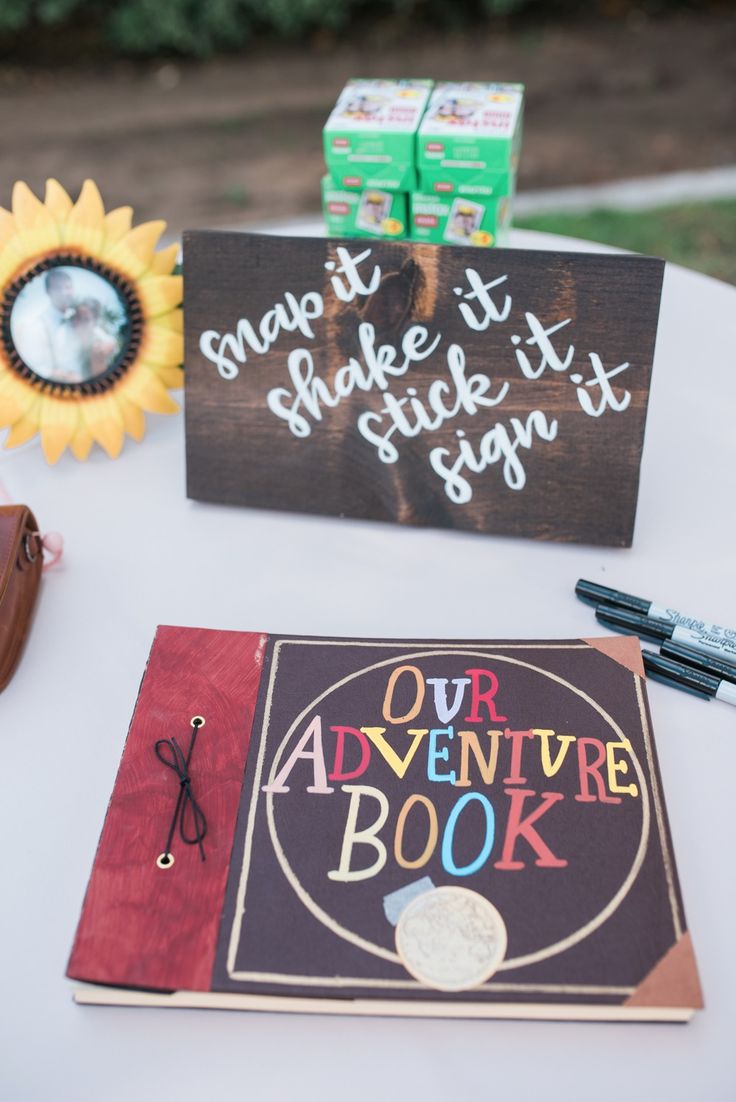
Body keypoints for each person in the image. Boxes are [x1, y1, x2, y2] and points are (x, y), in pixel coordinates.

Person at [12, 268, 74, 380]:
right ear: (49, 292)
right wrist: (64, 376)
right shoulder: (36, 326)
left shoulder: (79, 318)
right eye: (58, 288)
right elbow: (33, 366)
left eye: (68, 287)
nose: (65, 292)